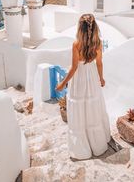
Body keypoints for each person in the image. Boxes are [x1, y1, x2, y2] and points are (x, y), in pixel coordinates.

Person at [56, 13, 110, 160]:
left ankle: (82, 147)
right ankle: (97, 144)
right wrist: (101, 78)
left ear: (80, 28)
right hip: (92, 77)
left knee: (80, 108)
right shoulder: (98, 43)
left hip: (79, 79)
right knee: (92, 107)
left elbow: (74, 68)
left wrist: (63, 83)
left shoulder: (76, 45)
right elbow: (99, 63)